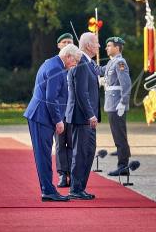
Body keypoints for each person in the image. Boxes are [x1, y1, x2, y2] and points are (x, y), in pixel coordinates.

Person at [24, 43, 82, 201]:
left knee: (43, 154)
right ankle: (48, 191)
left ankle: (47, 189)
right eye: (75, 61)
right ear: (68, 56)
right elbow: (51, 98)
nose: (75, 64)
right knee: (43, 155)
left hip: (40, 115)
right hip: (42, 116)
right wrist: (58, 120)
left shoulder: (52, 62)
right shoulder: (57, 68)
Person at [65, 32, 100, 200]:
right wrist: (90, 114)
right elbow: (81, 93)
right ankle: (75, 189)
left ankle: (80, 187)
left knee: (88, 151)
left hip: (87, 117)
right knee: (80, 153)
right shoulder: (81, 63)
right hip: (82, 117)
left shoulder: (88, 62)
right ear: (88, 45)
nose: (99, 46)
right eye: (96, 43)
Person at [99, 37, 132, 176]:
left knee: (120, 137)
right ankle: (123, 163)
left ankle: (123, 165)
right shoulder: (112, 62)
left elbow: (126, 85)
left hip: (117, 104)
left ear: (117, 48)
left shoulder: (120, 62)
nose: (106, 48)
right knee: (117, 135)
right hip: (112, 104)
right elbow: (100, 70)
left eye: (109, 45)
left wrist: (123, 103)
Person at [54, 33, 75, 188]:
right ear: (59, 45)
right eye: (64, 42)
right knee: (61, 144)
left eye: (70, 42)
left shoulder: (78, 64)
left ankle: (74, 174)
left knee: (74, 144)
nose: (67, 44)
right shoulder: (55, 65)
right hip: (60, 112)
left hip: (74, 112)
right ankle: (62, 174)